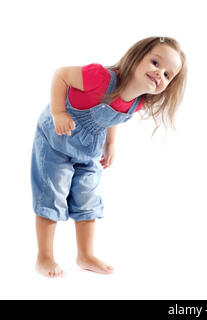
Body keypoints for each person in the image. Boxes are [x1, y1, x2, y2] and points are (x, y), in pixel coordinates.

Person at [32, 37, 187, 278]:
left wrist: (110, 143)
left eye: (168, 75)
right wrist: (58, 112)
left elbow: (111, 117)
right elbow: (60, 74)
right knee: (52, 193)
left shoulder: (138, 102)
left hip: (88, 150)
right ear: (137, 56)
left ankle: (85, 255)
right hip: (56, 140)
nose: (160, 74)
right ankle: (44, 257)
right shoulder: (101, 78)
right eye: (155, 62)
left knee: (87, 197)